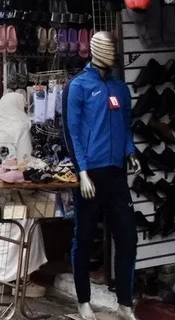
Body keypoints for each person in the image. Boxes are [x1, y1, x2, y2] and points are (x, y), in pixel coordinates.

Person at [63, 31, 140, 320]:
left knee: (127, 238)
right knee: (83, 238)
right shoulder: (78, 86)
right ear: (94, 50)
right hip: (90, 175)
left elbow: (127, 126)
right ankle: (83, 300)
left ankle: (124, 303)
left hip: (117, 173)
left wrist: (130, 152)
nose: (112, 52)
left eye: (114, 48)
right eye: (107, 48)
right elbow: (72, 131)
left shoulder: (121, 89)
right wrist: (81, 171)